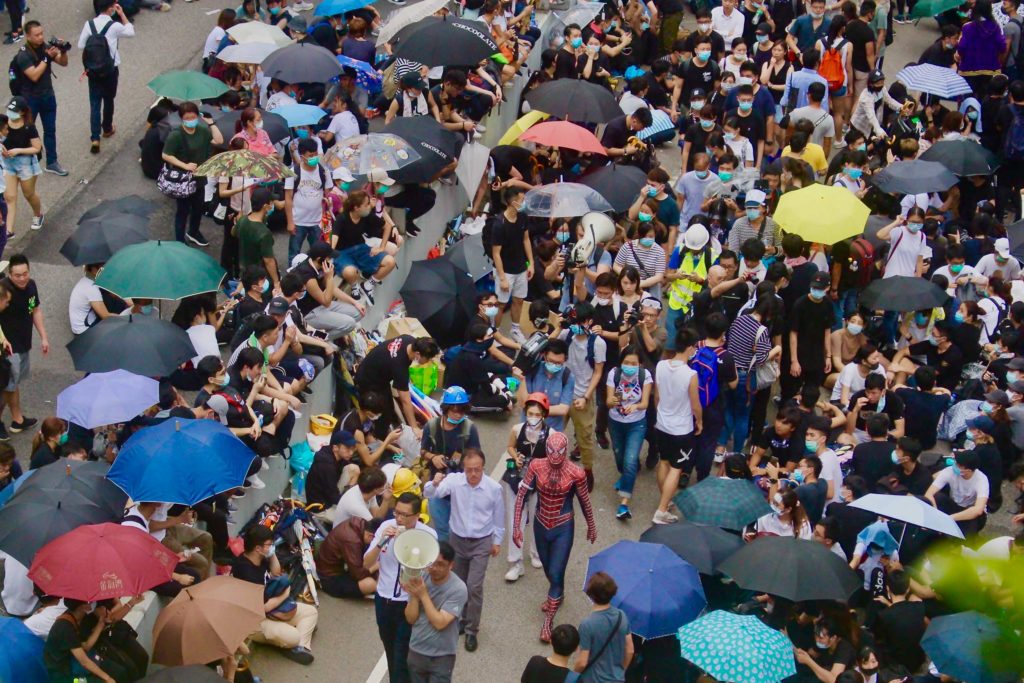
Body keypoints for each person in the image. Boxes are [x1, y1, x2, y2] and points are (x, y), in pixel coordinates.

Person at [513, 431, 596, 643]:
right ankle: (557, 594)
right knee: (550, 571)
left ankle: (548, 621)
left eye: (559, 451)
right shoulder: (536, 465)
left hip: (563, 525)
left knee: (557, 572)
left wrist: (591, 525)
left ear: (565, 450)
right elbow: (522, 493)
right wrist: (516, 526)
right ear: (546, 449)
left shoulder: (576, 473)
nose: (555, 455)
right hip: (541, 523)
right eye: (551, 450)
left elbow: (584, 500)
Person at [424, 448, 501, 653]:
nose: (473, 474)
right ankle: (458, 618)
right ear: (463, 469)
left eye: (477, 470)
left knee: (474, 586)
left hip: (481, 542)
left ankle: (472, 630)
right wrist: (435, 482)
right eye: (469, 470)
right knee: (458, 584)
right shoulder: (455, 481)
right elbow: (431, 493)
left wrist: (497, 541)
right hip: (457, 540)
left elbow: (498, 515)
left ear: (483, 468)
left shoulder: (493, 488)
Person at [364, 492, 439, 683]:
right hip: (385, 599)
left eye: (405, 515)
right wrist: (382, 541)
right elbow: (366, 563)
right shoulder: (385, 527)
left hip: (408, 602)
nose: (399, 518)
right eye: (397, 513)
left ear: (416, 516)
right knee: (390, 650)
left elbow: (431, 568)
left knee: (402, 651)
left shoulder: (428, 535)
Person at [232, 525, 319, 665]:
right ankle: (293, 641)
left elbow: (276, 572)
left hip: (272, 608)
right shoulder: (245, 571)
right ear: (257, 548)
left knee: (311, 612)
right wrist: (285, 594)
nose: (272, 546)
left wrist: (271, 554)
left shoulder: (258, 557)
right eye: (269, 544)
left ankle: (299, 647)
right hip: (254, 621)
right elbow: (264, 607)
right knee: (293, 636)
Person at [652, 327, 702, 525]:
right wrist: (700, 421)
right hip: (681, 429)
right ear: (690, 348)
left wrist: (660, 412)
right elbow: (695, 403)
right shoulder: (690, 374)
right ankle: (662, 509)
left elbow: (657, 395)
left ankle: (665, 500)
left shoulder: (661, 365)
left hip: (662, 424)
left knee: (663, 462)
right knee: (676, 467)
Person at [420, 387, 482, 541]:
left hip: (462, 487)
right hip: (437, 485)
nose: (458, 414)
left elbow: (477, 457)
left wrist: (464, 463)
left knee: (461, 530)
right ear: (445, 409)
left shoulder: (469, 428)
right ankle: (445, 561)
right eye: (454, 410)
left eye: (461, 410)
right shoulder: (431, 426)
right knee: (442, 530)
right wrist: (433, 457)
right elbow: (422, 451)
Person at [402, 540, 468, 683]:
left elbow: (440, 622)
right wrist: (414, 596)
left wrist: (423, 595)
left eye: (441, 565)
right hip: (416, 650)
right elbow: (410, 618)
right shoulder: (421, 577)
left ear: (451, 565)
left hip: (441, 656)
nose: (434, 568)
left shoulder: (458, 589)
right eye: (432, 563)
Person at [161, 101, 224, 245]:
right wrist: (185, 165)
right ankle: (179, 240)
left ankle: (194, 232)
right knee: (182, 211)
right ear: (182, 118)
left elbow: (219, 140)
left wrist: (211, 123)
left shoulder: (202, 130)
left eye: (193, 117)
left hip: (200, 177)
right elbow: (166, 155)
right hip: (183, 180)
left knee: (198, 208)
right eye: (187, 118)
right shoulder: (176, 135)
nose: (191, 121)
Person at [502, 392, 549, 581]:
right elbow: (510, 446)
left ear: (544, 415)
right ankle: (516, 562)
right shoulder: (516, 429)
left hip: (540, 483)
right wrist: (516, 457)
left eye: (538, 414)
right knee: (516, 520)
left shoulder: (551, 435)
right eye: (531, 413)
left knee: (539, 518)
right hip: (517, 480)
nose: (534, 418)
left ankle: (536, 553)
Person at [355, 335, 440, 438]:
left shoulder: (408, 339)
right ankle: (379, 440)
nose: (429, 361)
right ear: (418, 354)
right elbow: (406, 401)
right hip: (368, 381)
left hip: (372, 368)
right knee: (384, 413)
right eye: (428, 358)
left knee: (389, 408)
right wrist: (414, 427)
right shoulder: (399, 366)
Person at [78, 0, 133, 154]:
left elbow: (81, 45)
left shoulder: (89, 24)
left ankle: (95, 138)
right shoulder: (114, 26)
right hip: (110, 69)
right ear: (111, 9)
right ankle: (107, 128)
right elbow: (130, 32)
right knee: (108, 99)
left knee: (94, 103)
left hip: (93, 71)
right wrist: (122, 14)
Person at [14, 21, 68, 176]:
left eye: (41, 33)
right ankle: (24, 163)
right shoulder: (23, 55)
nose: (40, 37)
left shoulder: (45, 47)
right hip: (31, 99)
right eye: (36, 35)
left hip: (48, 96)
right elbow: (34, 75)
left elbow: (63, 63)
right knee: (27, 131)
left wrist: (63, 51)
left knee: (50, 130)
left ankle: (52, 162)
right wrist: (46, 58)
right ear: (28, 36)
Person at [606, 345, 653, 520]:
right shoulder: (614, 374)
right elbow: (609, 401)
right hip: (616, 422)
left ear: (639, 364)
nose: (630, 366)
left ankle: (624, 504)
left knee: (631, 460)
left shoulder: (645, 376)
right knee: (620, 459)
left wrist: (635, 406)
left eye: (634, 363)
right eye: (626, 362)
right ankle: (625, 476)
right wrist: (618, 399)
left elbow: (645, 403)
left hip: (637, 423)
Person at [0, 254, 44, 438]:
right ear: (9, 274)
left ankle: (17, 419)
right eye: (17, 275)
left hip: (24, 343)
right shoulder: (4, 291)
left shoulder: (31, 286)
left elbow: (34, 309)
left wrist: (44, 336)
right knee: (6, 386)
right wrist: (3, 340)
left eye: (25, 273)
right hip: (9, 349)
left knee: (13, 384)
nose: (22, 278)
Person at [491, 187, 533, 342]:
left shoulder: (523, 218)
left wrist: (531, 263)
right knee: (501, 304)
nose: (524, 203)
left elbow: (526, 239)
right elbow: (496, 253)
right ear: (513, 202)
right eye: (522, 200)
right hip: (506, 271)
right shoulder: (499, 224)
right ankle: (496, 333)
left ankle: (515, 329)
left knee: (518, 300)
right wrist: (502, 277)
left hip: (521, 267)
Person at [574, 572, 633, 682]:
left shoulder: (587, 624)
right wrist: (621, 672)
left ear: (591, 594)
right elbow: (630, 650)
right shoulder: (621, 616)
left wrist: (573, 676)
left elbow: (582, 662)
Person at [43, 598, 118, 683]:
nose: (92, 603)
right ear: (82, 607)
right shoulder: (65, 628)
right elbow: (84, 662)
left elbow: (85, 646)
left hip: (72, 663)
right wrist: (108, 678)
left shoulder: (75, 616)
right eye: (89, 602)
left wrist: (101, 622)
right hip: (63, 676)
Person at [285, 136, 333, 263]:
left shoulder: (324, 172)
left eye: (316, 154)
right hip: (298, 221)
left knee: (318, 255)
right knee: (294, 255)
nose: (314, 158)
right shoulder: (293, 172)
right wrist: (290, 222)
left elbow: (328, 194)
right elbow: (288, 198)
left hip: (317, 222)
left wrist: (329, 203)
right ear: (302, 156)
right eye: (311, 155)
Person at [925, 449, 990, 535]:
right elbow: (929, 493)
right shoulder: (950, 471)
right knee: (938, 497)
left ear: (968, 471)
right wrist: (936, 513)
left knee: (974, 522)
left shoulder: (981, 480)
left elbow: (978, 509)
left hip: (969, 510)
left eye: (958, 465)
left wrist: (950, 518)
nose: (954, 465)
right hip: (954, 504)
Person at [4, 96, 44, 235]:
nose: (10, 113)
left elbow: (37, 148)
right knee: (9, 197)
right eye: (9, 109)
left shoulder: (29, 127)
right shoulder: (4, 122)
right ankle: (8, 230)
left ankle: (38, 214)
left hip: (26, 163)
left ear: (22, 112)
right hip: (8, 163)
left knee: (29, 193)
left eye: (14, 110)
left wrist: (19, 150)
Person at [317, 516, 380, 599]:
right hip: (329, 579)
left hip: (338, 569)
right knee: (371, 584)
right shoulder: (352, 541)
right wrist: (374, 567)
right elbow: (358, 574)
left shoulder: (359, 523)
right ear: (370, 536)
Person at [305, 428, 362, 514]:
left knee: (354, 469)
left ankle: (348, 497)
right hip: (321, 508)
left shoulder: (338, 456)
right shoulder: (326, 465)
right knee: (352, 516)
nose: (351, 453)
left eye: (352, 448)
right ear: (335, 447)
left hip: (329, 496)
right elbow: (333, 495)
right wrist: (352, 506)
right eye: (347, 448)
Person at [67, 263, 114, 334]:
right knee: (116, 322)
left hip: (84, 321)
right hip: (85, 330)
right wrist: (125, 317)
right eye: (102, 267)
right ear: (94, 270)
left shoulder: (85, 280)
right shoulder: (92, 288)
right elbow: (106, 317)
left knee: (110, 298)